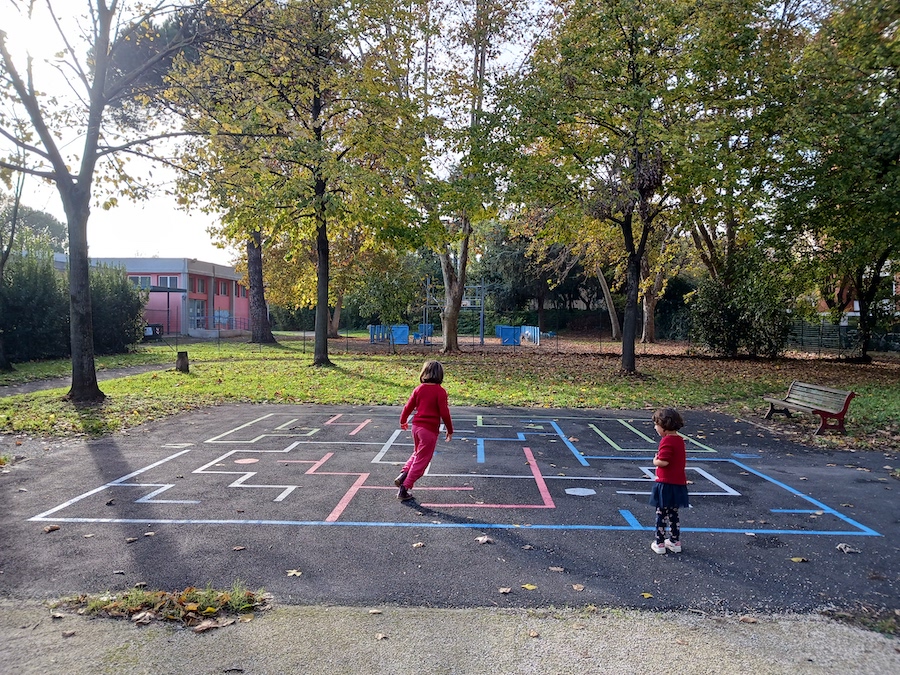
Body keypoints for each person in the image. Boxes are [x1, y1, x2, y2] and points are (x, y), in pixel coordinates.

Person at [395, 360, 454, 501]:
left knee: (417, 454)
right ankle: (404, 488)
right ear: (440, 375)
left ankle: (403, 475)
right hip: (429, 431)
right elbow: (444, 413)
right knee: (422, 461)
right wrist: (450, 429)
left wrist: (403, 421)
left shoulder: (419, 389)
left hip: (416, 428)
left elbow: (408, 407)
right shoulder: (440, 392)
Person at [649, 407, 689, 554]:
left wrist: (655, 461)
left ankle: (659, 542)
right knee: (673, 513)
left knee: (661, 513)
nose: (655, 428)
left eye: (656, 425)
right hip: (678, 483)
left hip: (665, 483)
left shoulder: (666, 441)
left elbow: (664, 462)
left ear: (664, 427)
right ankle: (674, 541)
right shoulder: (679, 440)